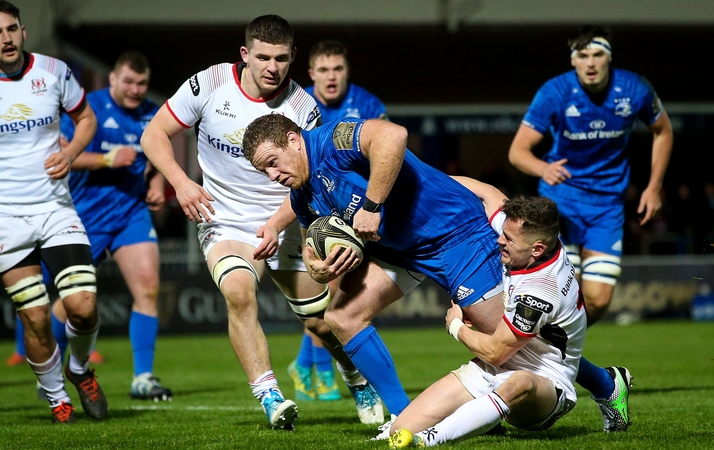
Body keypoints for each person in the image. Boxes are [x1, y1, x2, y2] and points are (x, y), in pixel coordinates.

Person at [141, 15, 383, 429]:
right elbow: (154, 134)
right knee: (238, 291)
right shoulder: (208, 84)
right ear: (245, 55)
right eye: (264, 58)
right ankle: (270, 395)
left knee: (321, 322)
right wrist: (180, 183)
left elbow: (309, 178)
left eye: (282, 59)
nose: (273, 67)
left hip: (286, 220)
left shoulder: (302, 108)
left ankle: (357, 379)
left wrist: (276, 223)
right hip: (225, 221)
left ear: (292, 58)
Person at [241, 114, 506, 422]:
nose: (272, 175)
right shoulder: (302, 196)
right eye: (265, 171)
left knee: (510, 344)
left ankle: (571, 374)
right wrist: (317, 269)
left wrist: (371, 207)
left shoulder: (332, 140)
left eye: (273, 162)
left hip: (455, 233)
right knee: (342, 315)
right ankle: (405, 417)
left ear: (293, 140)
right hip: (401, 251)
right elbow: (310, 250)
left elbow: (393, 136)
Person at [0, 0, 107, 424]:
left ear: (23, 31)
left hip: (54, 208)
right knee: (33, 317)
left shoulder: (53, 72)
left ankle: (80, 369)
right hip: (3, 217)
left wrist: (70, 152)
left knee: (83, 306)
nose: (6, 38)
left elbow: (86, 118)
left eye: (11, 29)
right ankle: (56, 397)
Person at [508, 25, 664, 432]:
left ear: (608, 58)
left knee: (595, 301)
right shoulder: (555, 92)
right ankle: (595, 379)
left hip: (606, 209)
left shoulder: (635, 90)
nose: (589, 64)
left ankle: (553, 362)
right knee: (553, 302)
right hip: (559, 210)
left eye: (597, 55)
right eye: (581, 56)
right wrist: (543, 167)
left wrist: (654, 186)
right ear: (572, 60)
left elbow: (663, 130)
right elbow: (518, 151)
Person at [386, 195, 587, 447]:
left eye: (508, 239)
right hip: (492, 371)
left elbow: (494, 353)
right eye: (503, 232)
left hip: (545, 385)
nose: (499, 240)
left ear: (537, 249)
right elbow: (485, 192)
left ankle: (430, 439)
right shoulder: (528, 235)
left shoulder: (540, 292)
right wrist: (421, 182)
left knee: (519, 381)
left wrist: (455, 327)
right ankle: (483, 419)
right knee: (400, 428)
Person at [49, 50, 171, 401]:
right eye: (129, 82)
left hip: (131, 214)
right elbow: (63, 156)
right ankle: (53, 367)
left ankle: (143, 378)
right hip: (85, 216)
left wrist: (156, 185)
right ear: (113, 79)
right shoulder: (89, 109)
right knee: (73, 303)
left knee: (148, 289)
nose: (135, 90)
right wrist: (106, 158)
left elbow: (159, 158)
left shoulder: (151, 113)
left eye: (142, 84)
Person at [288, 39, 388, 403]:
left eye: (338, 69)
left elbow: (387, 151)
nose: (331, 77)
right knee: (331, 290)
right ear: (312, 73)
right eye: (324, 70)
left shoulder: (368, 104)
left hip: (357, 205)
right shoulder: (301, 106)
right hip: (314, 205)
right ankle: (321, 369)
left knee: (335, 292)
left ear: (347, 71)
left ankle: (307, 364)